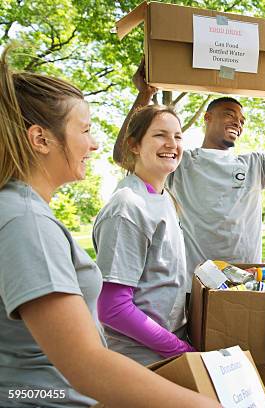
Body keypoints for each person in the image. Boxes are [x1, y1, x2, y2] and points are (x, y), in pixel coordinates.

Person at [0, 48, 219, 407]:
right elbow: (86, 362)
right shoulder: (27, 222)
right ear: (41, 140)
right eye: (85, 130)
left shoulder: (26, 211)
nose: (95, 143)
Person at [113, 61, 265, 278]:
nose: (238, 122)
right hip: (197, 282)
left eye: (242, 121)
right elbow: (124, 154)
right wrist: (145, 95)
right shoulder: (181, 162)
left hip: (247, 280)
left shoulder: (256, 164)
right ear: (207, 118)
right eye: (229, 114)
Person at [94, 105, 196, 365]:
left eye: (178, 136)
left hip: (166, 349)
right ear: (134, 145)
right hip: (140, 358)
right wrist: (179, 350)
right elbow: (112, 307)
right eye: (160, 135)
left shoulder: (164, 198)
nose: (172, 143)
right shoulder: (128, 206)